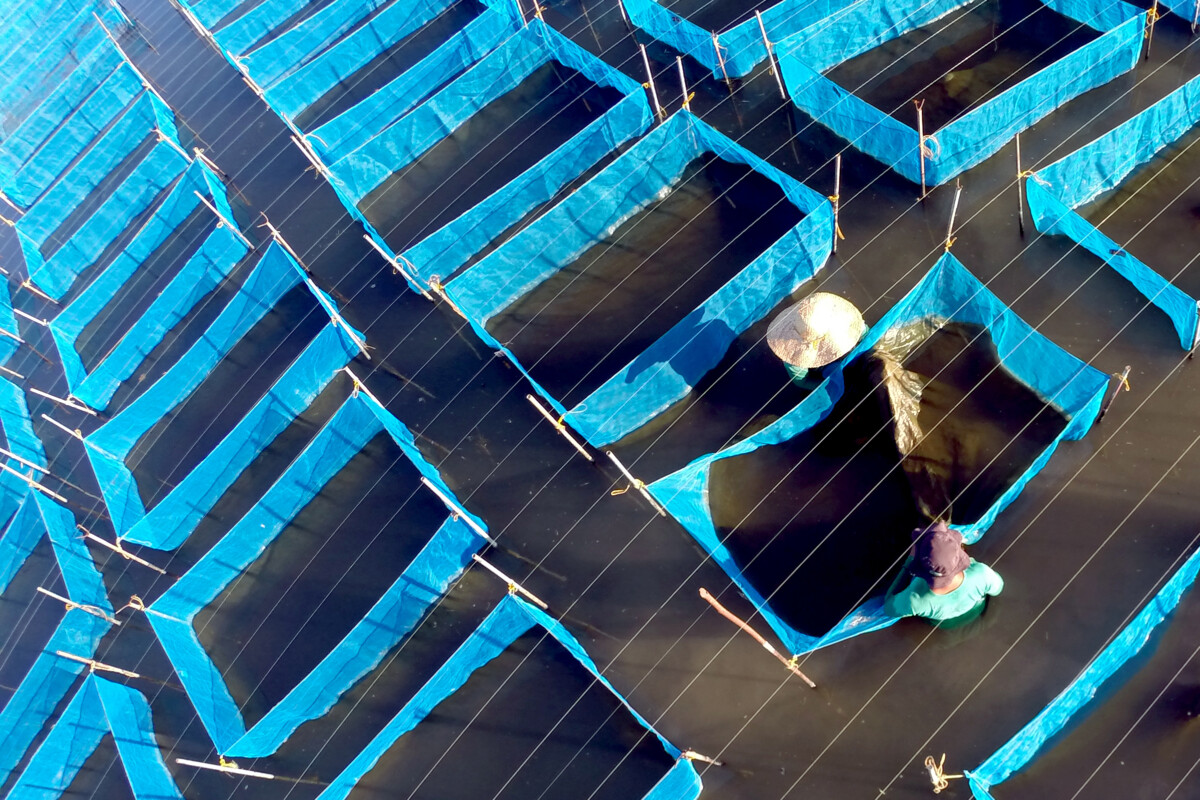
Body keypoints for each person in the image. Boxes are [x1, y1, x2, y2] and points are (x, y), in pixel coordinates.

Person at [884, 521, 1003, 625]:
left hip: (944, 624)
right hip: (976, 612)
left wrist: (908, 563)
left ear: (919, 565)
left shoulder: (915, 598)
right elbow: (998, 588)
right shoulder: (981, 573)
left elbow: (888, 608)